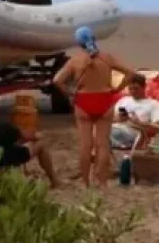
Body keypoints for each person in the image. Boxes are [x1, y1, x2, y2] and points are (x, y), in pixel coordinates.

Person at [52, 26, 134, 189]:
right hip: (104, 99)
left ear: (78, 42)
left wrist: (69, 93)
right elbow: (131, 72)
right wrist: (117, 88)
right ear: (94, 39)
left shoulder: (75, 60)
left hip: (84, 100)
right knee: (102, 144)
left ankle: (85, 182)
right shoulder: (106, 58)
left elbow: (57, 80)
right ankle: (102, 182)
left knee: (85, 144)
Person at [111, 73, 159, 150]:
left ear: (144, 87)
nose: (133, 91)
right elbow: (110, 118)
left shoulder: (153, 104)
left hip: (135, 134)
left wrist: (139, 123)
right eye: (130, 89)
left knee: (102, 132)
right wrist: (117, 118)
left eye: (136, 88)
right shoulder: (124, 100)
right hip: (117, 129)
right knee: (99, 130)